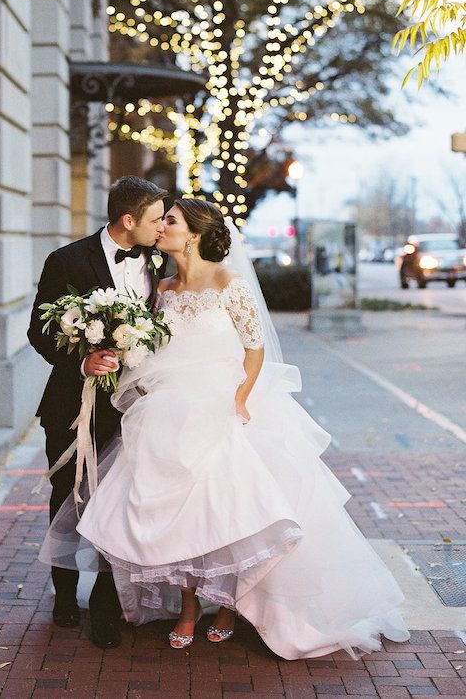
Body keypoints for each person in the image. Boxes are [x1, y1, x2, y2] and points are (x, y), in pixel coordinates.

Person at [39, 199, 410, 659]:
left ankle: (230, 607)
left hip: (221, 407)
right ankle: (188, 609)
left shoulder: (230, 284)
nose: (162, 229)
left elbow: (254, 349)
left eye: (170, 221)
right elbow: (152, 346)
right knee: (183, 515)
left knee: (229, 512)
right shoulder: (164, 287)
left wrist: (239, 399)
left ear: (193, 234)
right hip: (167, 409)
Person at [28, 175, 168, 649]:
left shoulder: (159, 261)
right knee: (66, 496)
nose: (161, 227)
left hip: (135, 407)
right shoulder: (66, 260)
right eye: (154, 218)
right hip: (72, 404)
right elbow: (38, 331)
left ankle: (107, 604)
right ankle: (64, 596)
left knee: (123, 503)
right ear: (128, 220)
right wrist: (81, 359)